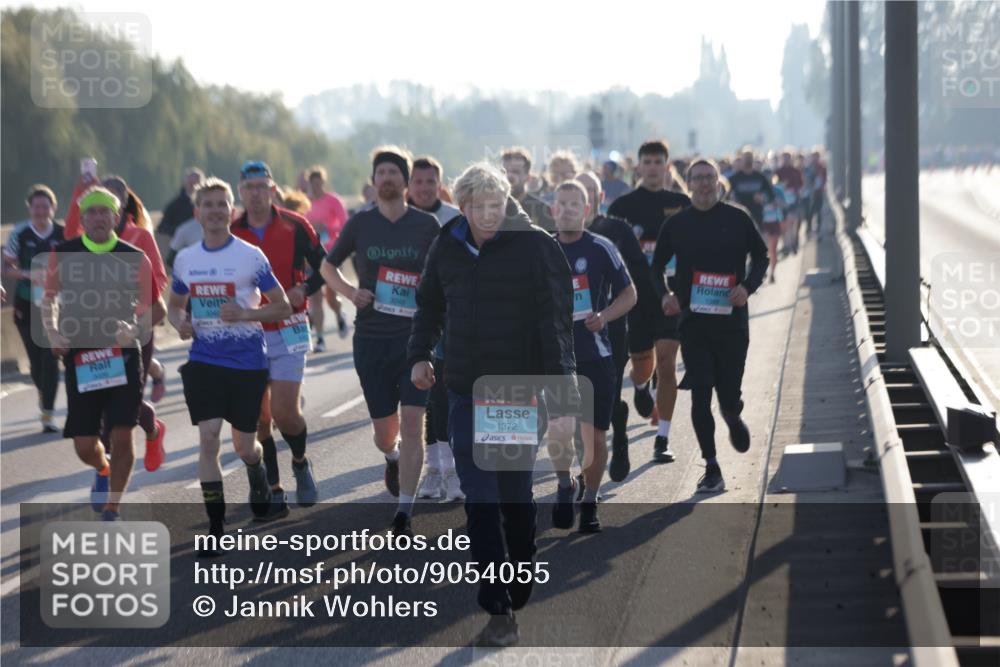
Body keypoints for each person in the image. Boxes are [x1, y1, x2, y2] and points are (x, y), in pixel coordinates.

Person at [408, 162, 577, 647]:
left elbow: (555, 323)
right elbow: (429, 305)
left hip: (513, 390)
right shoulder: (447, 244)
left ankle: (521, 566)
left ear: (506, 202)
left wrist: (561, 391)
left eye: (495, 204)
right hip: (463, 390)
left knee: (514, 498)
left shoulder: (535, 247)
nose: (487, 214)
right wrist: (419, 354)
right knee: (480, 498)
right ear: (462, 206)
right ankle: (497, 605)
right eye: (478, 206)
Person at [321, 146, 440, 536]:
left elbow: (444, 273)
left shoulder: (426, 226)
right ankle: (391, 456)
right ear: (373, 182)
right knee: (385, 432)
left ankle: (404, 510)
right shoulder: (361, 224)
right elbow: (327, 266)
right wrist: (350, 292)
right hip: (372, 338)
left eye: (394, 173)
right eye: (381, 173)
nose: (387, 179)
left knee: (413, 422)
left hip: (415, 340)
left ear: (406, 182)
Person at [169, 177, 293, 547]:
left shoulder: (250, 256)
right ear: (197, 213)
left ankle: (257, 469)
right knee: (208, 438)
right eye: (207, 205)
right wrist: (180, 323)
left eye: (221, 204)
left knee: (244, 447)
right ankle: (216, 526)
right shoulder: (186, 260)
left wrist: (245, 314)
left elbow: (283, 306)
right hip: (204, 361)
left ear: (231, 210)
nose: (215, 211)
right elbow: (174, 307)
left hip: (247, 363)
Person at [41, 186, 159, 521]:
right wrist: (53, 332)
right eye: (91, 212)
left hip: (123, 355)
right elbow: (49, 300)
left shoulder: (134, 256)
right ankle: (102, 468)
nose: (98, 218)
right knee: (84, 444)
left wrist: (134, 329)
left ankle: (113, 507)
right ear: (81, 218)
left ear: (116, 216)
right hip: (81, 356)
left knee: (122, 433)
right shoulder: (63, 253)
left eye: (104, 211)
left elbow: (157, 309)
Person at [651, 159, 767, 493]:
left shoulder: (738, 218)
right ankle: (712, 466)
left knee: (727, 394)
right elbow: (656, 266)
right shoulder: (677, 225)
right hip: (694, 323)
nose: (704, 183)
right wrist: (665, 295)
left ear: (718, 182)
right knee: (700, 394)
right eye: (698, 178)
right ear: (688, 184)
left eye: (709, 177)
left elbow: (761, 257)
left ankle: (732, 414)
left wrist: (747, 287)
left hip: (732, 324)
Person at [231, 160, 326, 514]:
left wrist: (304, 287)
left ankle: (300, 462)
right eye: (249, 187)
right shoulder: (231, 231)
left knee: (285, 412)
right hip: (247, 332)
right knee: (260, 417)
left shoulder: (296, 225)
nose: (256, 193)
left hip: (288, 327)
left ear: (273, 189)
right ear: (240, 192)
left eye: (262, 186)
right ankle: (273, 487)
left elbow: (325, 266)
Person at [549, 180, 635, 532]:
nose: (567, 209)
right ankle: (564, 484)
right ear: (553, 210)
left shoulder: (601, 247)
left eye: (575, 204)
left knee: (595, 438)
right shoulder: (543, 249)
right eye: (561, 204)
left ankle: (590, 500)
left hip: (596, 357)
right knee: (559, 432)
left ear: (586, 209)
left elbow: (629, 294)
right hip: (556, 359)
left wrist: (604, 316)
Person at [607, 139, 691, 463]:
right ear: (639, 167)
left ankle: (663, 438)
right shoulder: (622, 207)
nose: (653, 168)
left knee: (667, 362)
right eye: (648, 162)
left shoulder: (681, 203)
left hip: (670, 297)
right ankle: (641, 387)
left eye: (659, 162)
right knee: (642, 366)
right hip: (635, 298)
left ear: (667, 166)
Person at [576, 171, 653, 481]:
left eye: (589, 191)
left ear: (599, 197)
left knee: (607, 400)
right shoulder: (558, 236)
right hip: (573, 334)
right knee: (580, 405)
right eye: (578, 190)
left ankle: (619, 435)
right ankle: (586, 471)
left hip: (614, 330)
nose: (584, 196)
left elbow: (639, 277)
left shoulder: (617, 230)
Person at [101, 175, 169, 471]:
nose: (105, 205)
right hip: (99, 331)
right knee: (103, 403)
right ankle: (105, 476)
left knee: (123, 404)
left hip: (137, 330)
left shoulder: (141, 236)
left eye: (113, 196)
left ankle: (151, 431)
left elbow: (160, 278)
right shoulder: (88, 240)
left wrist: (138, 310)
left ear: (123, 203)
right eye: (100, 197)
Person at [407, 156, 463, 501]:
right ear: (409, 184)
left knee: (438, 395)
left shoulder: (454, 218)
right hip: (403, 318)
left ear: (440, 185)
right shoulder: (396, 216)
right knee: (418, 400)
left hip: (441, 317)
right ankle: (432, 468)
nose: (424, 188)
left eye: (431, 182)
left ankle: (445, 469)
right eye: (418, 181)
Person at [2, 185, 65, 433]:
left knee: (50, 357)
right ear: (30, 208)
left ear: (53, 208)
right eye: (36, 207)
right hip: (26, 302)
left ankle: (47, 414)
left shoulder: (62, 233)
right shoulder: (20, 233)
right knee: (36, 363)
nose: (40, 211)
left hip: (54, 304)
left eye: (45, 206)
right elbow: (6, 268)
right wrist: (30, 274)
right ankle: (43, 392)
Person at [305, 166, 349, 348]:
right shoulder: (305, 202)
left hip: (331, 253)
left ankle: (339, 314)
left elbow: (345, 224)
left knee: (330, 296)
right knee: (315, 296)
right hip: (311, 255)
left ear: (323, 183)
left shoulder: (333, 200)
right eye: (313, 183)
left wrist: (327, 228)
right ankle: (320, 338)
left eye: (319, 183)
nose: (316, 187)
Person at [728, 148, 778, 282]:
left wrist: (763, 198)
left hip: (757, 218)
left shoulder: (760, 177)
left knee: (757, 248)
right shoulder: (734, 178)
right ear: (741, 160)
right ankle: (742, 274)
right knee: (740, 248)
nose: (748, 161)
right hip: (738, 218)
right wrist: (732, 200)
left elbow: (771, 196)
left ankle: (756, 272)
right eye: (746, 158)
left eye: (750, 158)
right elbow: (724, 195)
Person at [500, 147, 555, 231]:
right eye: (504, 172)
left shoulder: (542, 210)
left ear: (528, 177)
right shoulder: (491, 207)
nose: (509, 176)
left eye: (516, 172)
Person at [158, 167, 204, 238]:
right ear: (185, 183)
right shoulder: (175, 205)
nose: (194, 186)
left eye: (197, 183)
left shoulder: (209, 204)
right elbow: (162, 227)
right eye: (191, 183)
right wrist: (181, 232)